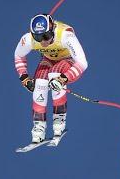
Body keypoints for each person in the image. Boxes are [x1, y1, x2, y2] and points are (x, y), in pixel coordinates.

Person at [14, 14, 88, 143]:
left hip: (68, 60)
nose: (43, 41)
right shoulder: (28, 39)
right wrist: (24, 78)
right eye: (38, 37)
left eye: (46, 36)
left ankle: (59, 122)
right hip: (48, 59)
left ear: (52, 28)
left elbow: (82, 63)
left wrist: (64, 78)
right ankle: (38, 128)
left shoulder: (65, 35)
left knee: (55, 75)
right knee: (39, 84)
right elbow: (18, 56)